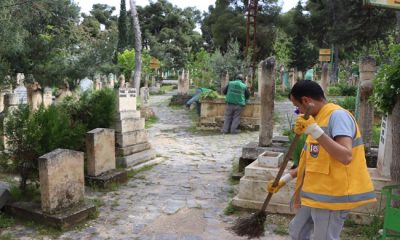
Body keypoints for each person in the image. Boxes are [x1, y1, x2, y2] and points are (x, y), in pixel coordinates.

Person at [267, 80, 376, 240]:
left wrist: (315, 131)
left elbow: (345, 156)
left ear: (305, 100)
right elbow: (313, 160)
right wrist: (285, 178)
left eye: (297, 107)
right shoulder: (317, 120)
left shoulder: (337, 116)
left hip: (332, 196)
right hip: (315, 193)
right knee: (297, 231)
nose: (298, 111)